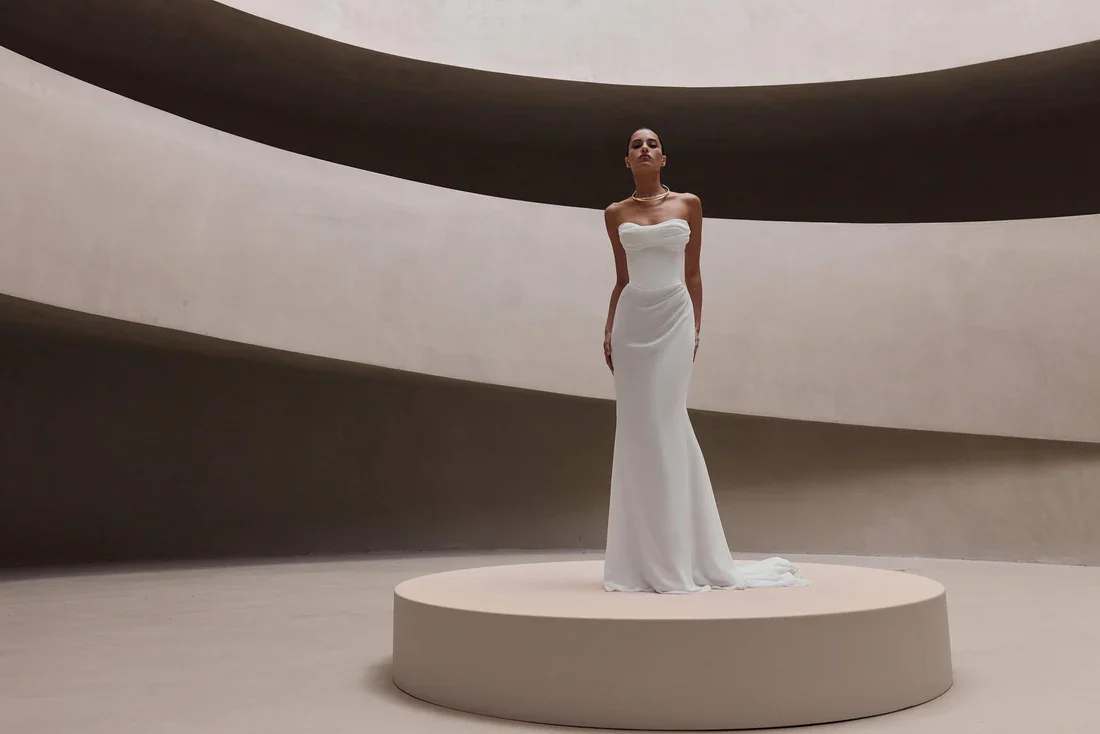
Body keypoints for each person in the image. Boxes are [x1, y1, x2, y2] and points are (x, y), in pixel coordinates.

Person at [601, 128, 809, 593]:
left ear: (664, 157)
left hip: (674, 317)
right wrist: (609, 327)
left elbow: (693, 273)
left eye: (652, 143)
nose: (645, 149)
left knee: (668, 421)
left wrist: (695, 327)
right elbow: (621, 279)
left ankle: (685, 553)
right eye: (636, 145)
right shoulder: (615, 213)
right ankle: (643, 557)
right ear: (627, 161)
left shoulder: (689, 204)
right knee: (636, 430)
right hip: (633, 324)